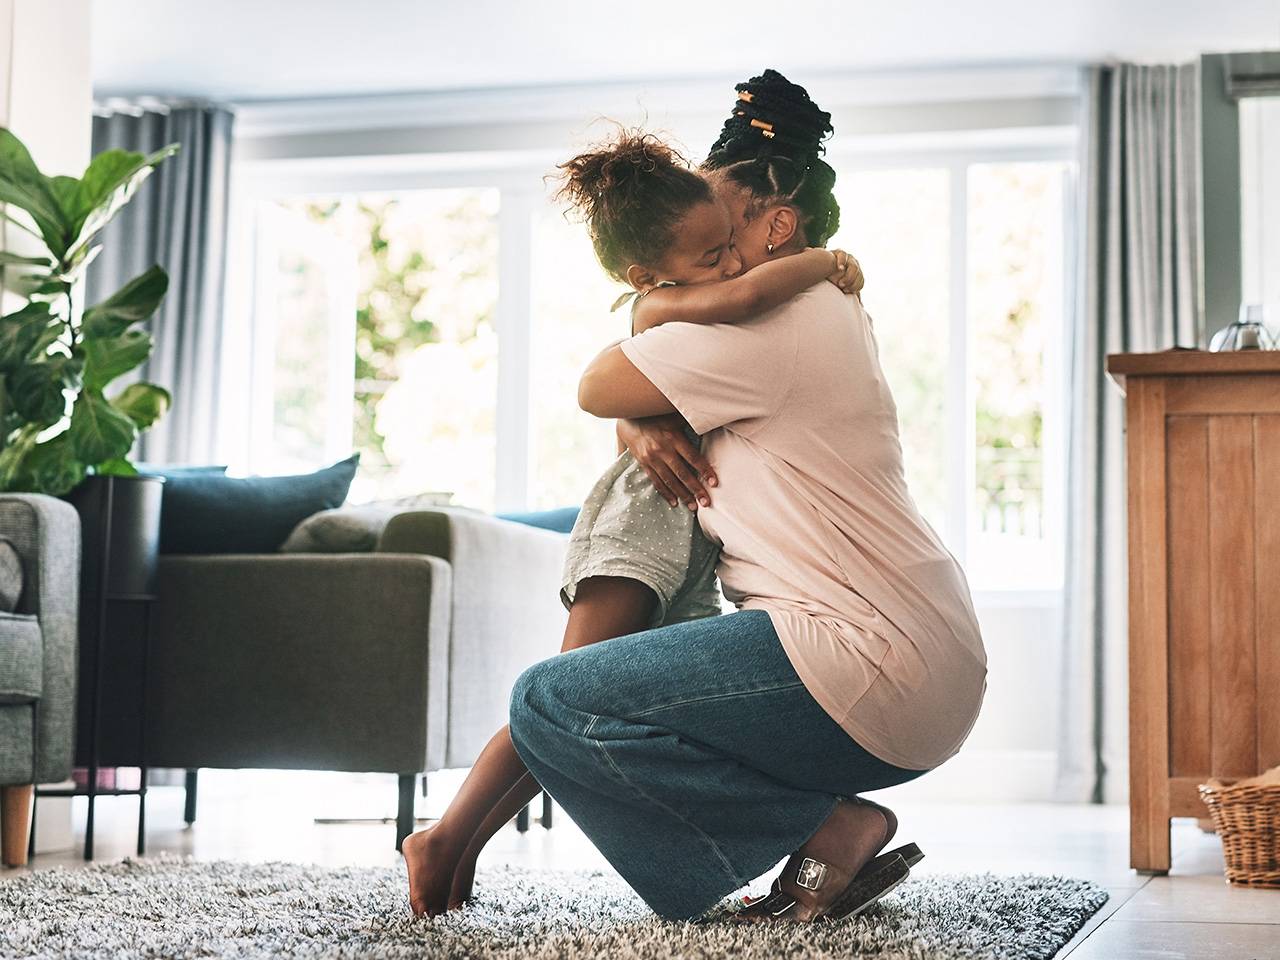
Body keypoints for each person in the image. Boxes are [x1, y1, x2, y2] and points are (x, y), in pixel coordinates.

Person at [506, 69, 988, 923]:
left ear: (777, 226)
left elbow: (597, 384)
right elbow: (632, 403)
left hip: (865, 656)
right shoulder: (808, 313)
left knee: (552, 697)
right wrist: (643, 428)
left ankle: (832, 827)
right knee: (608, 690)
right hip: (912, 656)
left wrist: (641, 380)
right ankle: (814, 840)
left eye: (722, 233)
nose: (716, 261)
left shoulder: (779, 318)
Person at [400, 126, 863, 918]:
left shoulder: (686, 295)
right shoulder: (670, 301)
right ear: (649, 274)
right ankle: (444, 837)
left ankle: (453, 840)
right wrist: (826, 265)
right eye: (710, 254)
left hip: (687, 526)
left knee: (599, 702)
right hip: (644, 517)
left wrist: (641, 424)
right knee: (568, 690)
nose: (727, 262)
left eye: (727, 245)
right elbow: (735, 306)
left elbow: (662, 400)